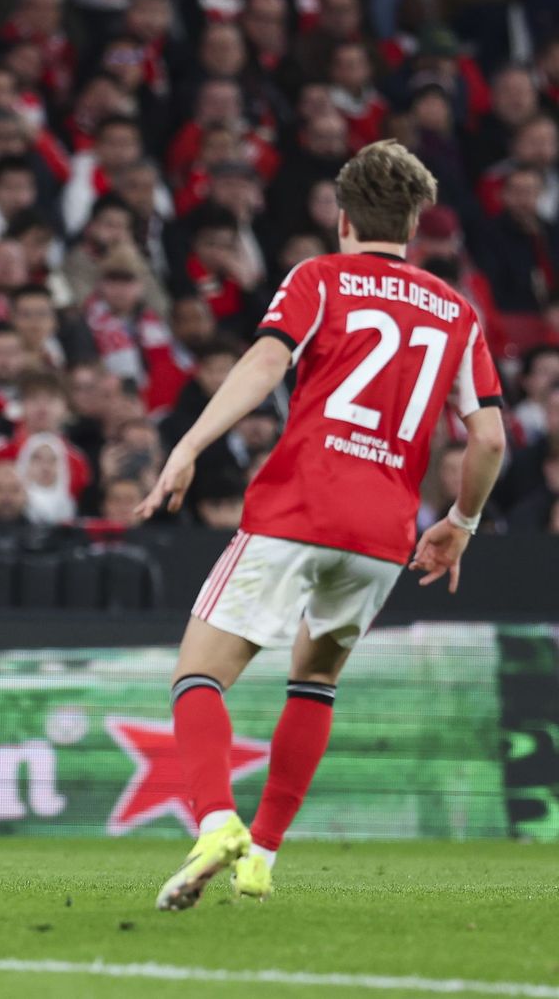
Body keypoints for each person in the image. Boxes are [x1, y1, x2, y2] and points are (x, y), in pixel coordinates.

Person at [137, 141, 505, 910]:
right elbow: (492, 437)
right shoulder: (458, 311)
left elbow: (267, 365)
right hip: (382, 535)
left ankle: (215, 823)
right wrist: (461, 523)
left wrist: (190, 444)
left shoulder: (318, 279)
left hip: (297, 509)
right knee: (315, 678)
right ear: (412, 223)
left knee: (197, 674)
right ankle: (263, 854)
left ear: (342, 220)